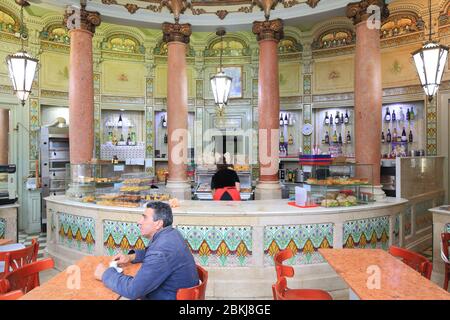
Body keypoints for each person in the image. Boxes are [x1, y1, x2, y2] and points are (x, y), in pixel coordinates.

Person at [94, 202, 199, 300]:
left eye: (144, 218)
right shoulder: (171, 234)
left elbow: (133, 290)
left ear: (158, 224)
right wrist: (130, 257)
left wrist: (105, 274)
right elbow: (151, 253)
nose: (139, 222)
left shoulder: (161, 250)